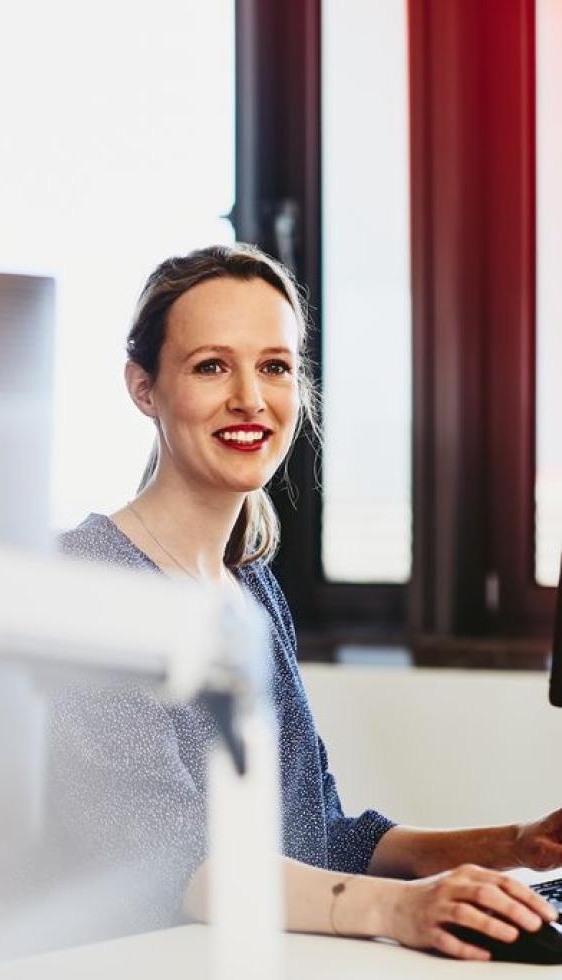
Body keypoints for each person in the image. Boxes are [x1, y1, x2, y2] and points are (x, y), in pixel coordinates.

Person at [51, 243, 562, 961]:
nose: (250, 400)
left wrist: (518, 844)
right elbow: (165, 858)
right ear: (143, 388)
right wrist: (402, 907)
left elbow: (319, 836)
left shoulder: (249, 589)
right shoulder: (87, 582)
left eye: (274, 367)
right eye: (210, 366)